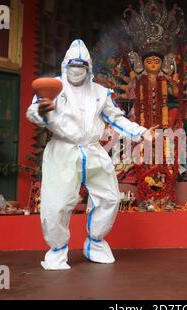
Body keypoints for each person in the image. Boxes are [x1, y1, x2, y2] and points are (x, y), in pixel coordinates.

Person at [27, 40, 154, 270]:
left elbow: (116, 117)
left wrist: (140, 131)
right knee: (57, 203)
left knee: (110, 198)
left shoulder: (100, 92)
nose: (77, 70)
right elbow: (33, 112)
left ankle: (95, 243)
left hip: (94, 150)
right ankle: (57, 251)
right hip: (62, 151)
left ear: (89, 68)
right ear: (66, 65)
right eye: (73, 66)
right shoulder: (53, 86)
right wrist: (42, 112)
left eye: (82, 66)